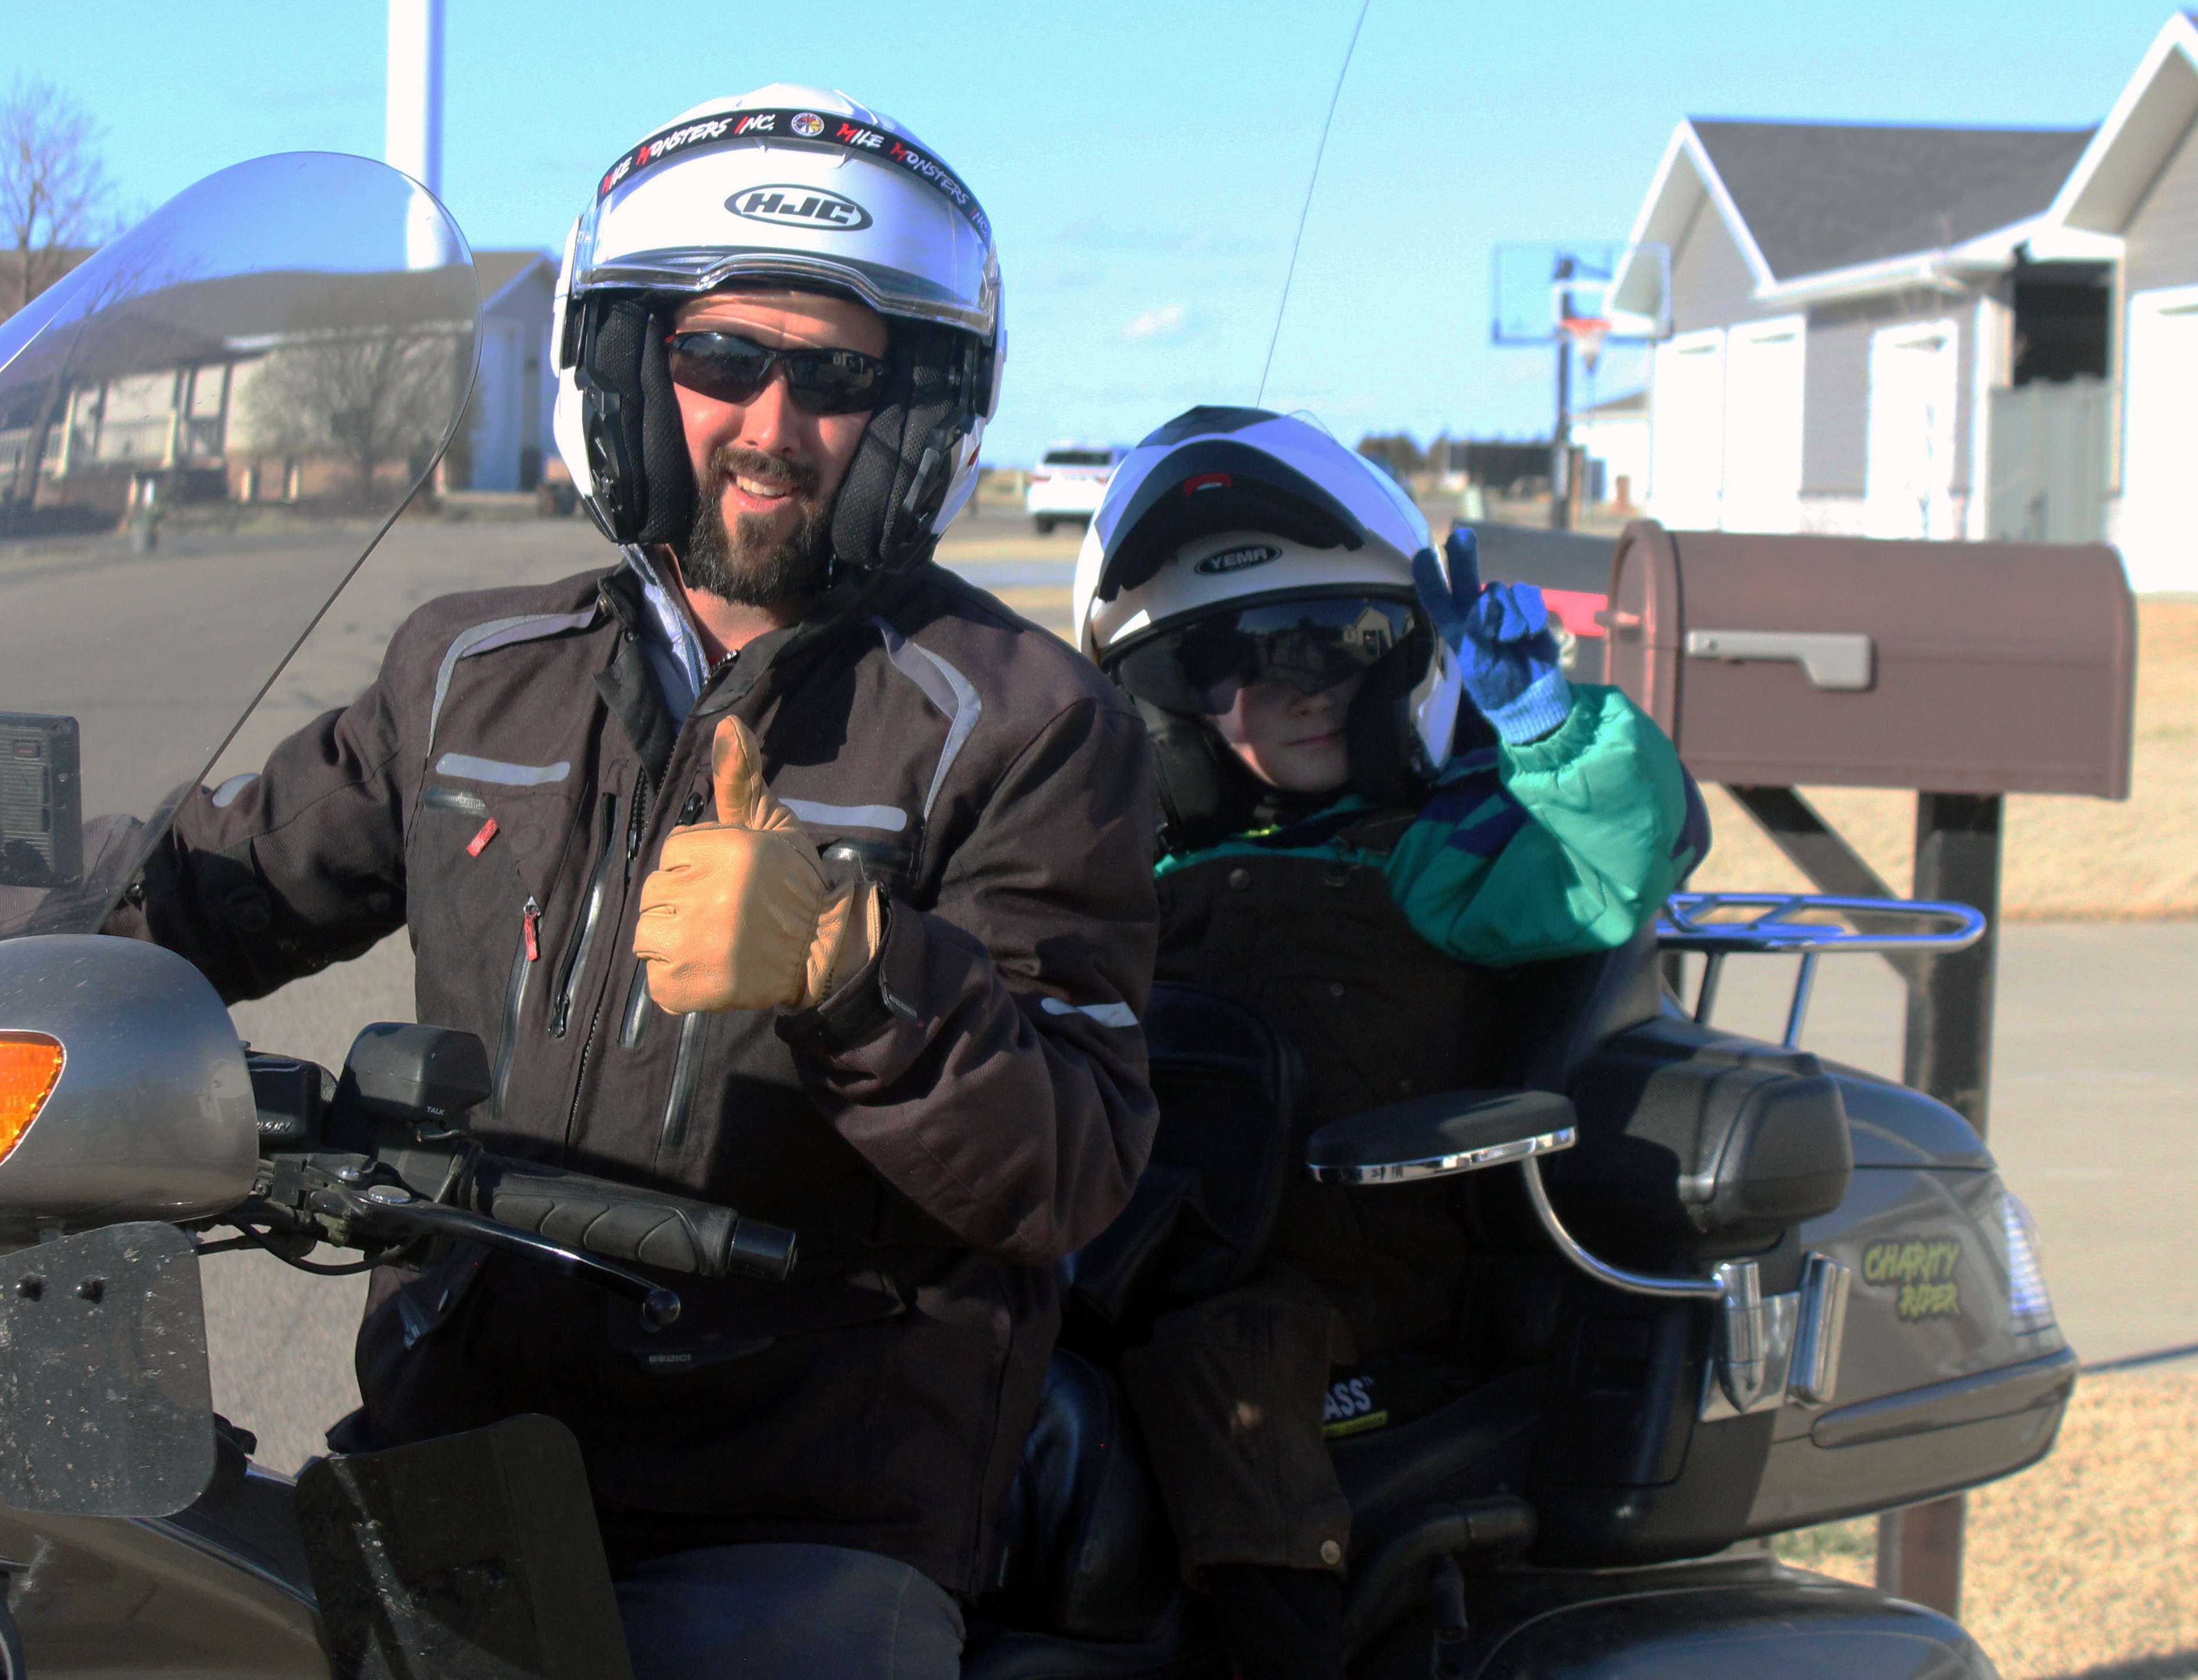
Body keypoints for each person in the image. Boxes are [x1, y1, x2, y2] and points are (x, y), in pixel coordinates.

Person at [107, 87, 1160, 1677]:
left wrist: (855, 978)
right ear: (621, 372)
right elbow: (208, 895)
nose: (770, 422)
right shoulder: (469, 670)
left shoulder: (1017, 722)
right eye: (720, 360)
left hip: (799, 1513)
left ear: (915, 411)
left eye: (837, 378)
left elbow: (1069, 1165)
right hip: (460, 1456)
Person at [1065, 407, 1706, 1679]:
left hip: (1360, 1264)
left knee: (1226, 1367)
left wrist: (1547, 731)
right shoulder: (1137, 872)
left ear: (1400, 664)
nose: (1295, 685)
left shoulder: (1435, 859)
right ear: (1166, 706)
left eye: (1337, 645)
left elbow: (1619, 861)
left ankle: (1277, 1647)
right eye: (1228, 661)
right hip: (1154, 1238)